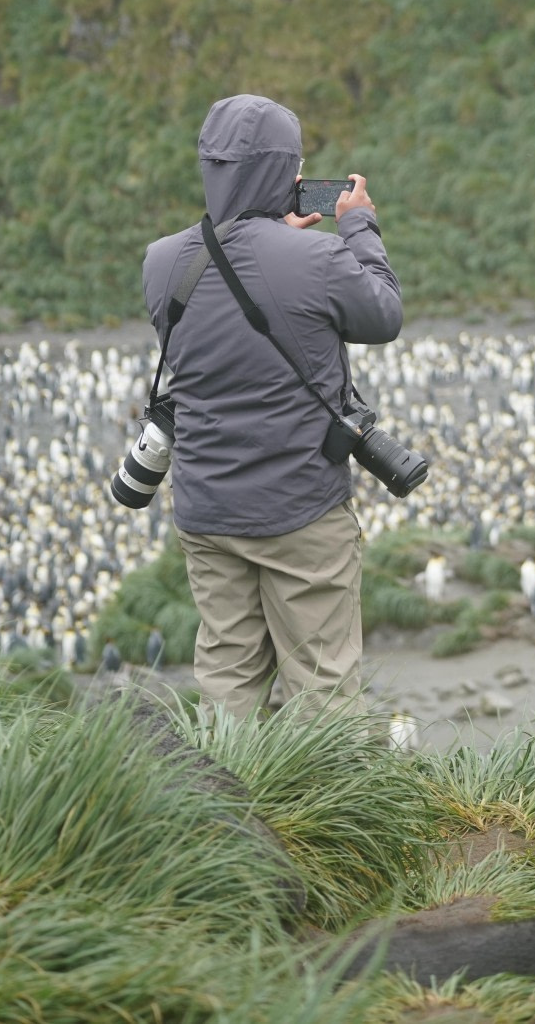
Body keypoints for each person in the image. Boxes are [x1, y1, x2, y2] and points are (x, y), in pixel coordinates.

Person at [141, 94, 403, 722]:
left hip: (207, 510)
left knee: (228, 680)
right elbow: (383, 314)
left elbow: (222, 341)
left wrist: (266, 239)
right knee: (323, 686)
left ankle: (229, 815)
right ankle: (328, 817)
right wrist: (359, 225)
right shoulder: (317, 258)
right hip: (300, 510)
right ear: (283, 171)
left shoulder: (161, 262)